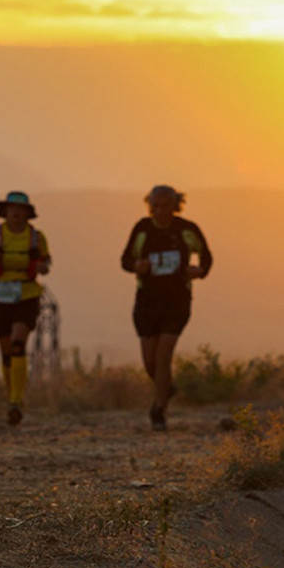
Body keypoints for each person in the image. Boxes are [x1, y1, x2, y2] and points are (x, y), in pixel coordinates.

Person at [120, 185, 212, 431]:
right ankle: (166, 388)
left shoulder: (187, 230)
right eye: (154, 205)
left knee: (163, 358)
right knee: (149, 361)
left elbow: (206, 257)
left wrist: (199, 271)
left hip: (177, 301)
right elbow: (125, 260)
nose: (158, 211)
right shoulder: (142, 229)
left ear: (175, 206)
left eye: (164, 205)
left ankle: (159, 411)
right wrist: (137, 265)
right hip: (147, 302)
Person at [0, 191, 51, 426]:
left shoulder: (36, 238)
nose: (16, 213)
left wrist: (41, 267)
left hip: (27, 295)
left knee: (18, 344)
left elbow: (46, 262)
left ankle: (15, 402)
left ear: (28, 213)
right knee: (7, 351)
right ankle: (13, 398)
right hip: (0, 296)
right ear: (5, 211)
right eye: (12, 209)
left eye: (20, 210)